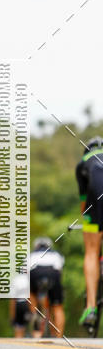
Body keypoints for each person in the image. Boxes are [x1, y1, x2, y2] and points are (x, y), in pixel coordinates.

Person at [75, 136, 103, 329]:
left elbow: (84, 206)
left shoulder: (83, 164)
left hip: (96, 196)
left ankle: (91, 306)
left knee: (91, 251)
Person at [27, 237, 65, 338]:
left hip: (35, 273)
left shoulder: (31, 255)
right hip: (53, 273)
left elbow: (25, 272)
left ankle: (34, 312)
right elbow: (60, 270)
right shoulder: (56, 254)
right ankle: (59, 336)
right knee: (57, 307)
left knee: (30, 294)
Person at [9, 271, 31, 338]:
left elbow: (12, 299)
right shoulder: (29, 278)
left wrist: (12, 316)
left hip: (18, 304)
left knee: (18, 329)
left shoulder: (15, 280)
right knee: (30, 328)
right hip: (27, 304)